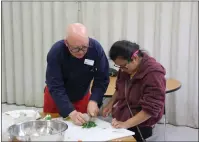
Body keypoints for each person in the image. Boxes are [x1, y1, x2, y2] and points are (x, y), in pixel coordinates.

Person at [43, 23, 110, 125]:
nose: (80, 52)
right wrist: (70, 111)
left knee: (80, 127)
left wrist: (95, 100)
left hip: (81, 95)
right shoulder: (56, 52)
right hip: (56, 97)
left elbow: (102, 78)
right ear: (66, 43)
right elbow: (55, 84)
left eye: (84, 47)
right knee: (52, 126)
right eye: (75, 48)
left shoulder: (95, 48)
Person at [102, 40, 166, 141]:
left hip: (142, 122)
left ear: (135, 58)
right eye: (118, 66)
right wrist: (110, 104)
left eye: (123, 66)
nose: (121, 70)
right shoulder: (126, 69)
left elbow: (150, 109)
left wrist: (125, 124)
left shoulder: (153, 73)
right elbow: (119, 88)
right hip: (124, 116)